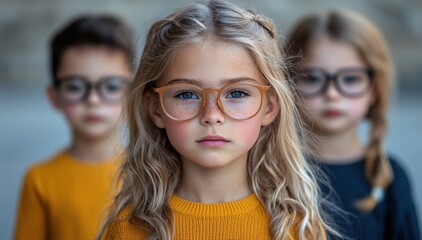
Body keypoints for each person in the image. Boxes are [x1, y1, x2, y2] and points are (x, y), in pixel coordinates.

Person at [99, 1, 337, 239]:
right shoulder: (128, 232)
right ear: (155, 108)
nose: (212, 116)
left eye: (236, 93)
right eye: (187, 94)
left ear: (270, 107)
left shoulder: (297, 229)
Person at [285, 9, 421, 240]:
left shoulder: (390, 179)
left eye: (350, 79)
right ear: (288, 83)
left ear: (374, 89)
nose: (332, 94)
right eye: (312, 78)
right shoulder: (271, 172)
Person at [14, 15, 134, 240]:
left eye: (111, 86)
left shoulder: (154, 175)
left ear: (131, 94)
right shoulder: (40, 180)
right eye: (76, 86)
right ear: (55, 96)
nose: (93, 100)